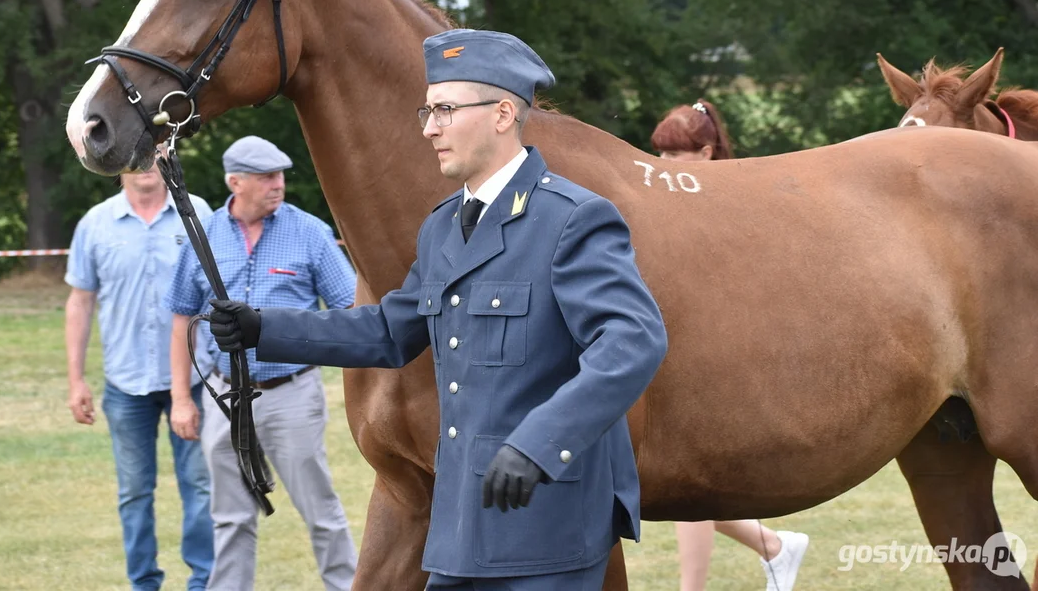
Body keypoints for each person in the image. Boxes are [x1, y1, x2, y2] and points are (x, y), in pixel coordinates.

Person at [207, 29, 669, 590]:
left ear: (502, 114)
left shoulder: (573, 218)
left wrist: (541, 443)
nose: (429, 127)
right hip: (458, 527)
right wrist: (264, 329)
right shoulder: (444, 225)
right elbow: (389, 331)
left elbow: (633, 341)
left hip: (546, 525)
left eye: (446, 109)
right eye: (428, 110)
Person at [164, 135, 358, 591]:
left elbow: (352, 312)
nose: (279, 184)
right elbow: (181, 318)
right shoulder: (203, 235)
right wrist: (180, 399)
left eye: (281, 175)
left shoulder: (309, 232)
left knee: (321, 511)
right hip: (223, 396)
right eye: (267, 176)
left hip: (291, 396)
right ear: (235, 182)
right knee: (229, 518)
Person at [652, 100, 810, 591]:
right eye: (659, 152)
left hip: (721, 355)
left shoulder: (726, 204)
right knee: (678, 484)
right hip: (686, 348)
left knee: (682, 485)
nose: (660, 164)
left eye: (673, 154)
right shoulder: (674, 198)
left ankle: (713, 577)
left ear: (704, 152)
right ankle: (775, 547)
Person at [64, 166, 215, 591]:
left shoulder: (196, 212)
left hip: (194, 380)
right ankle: (143, 583)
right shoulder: (95, 224)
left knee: (201, 488)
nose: (146, 163)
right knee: (133, 492)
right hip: (125, 384)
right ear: (117, 164)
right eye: (136, 155)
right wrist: (76, 380)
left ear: (166, 155)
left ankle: (204, 581)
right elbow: (80, 302)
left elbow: (221, 293)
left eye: (153, 152)